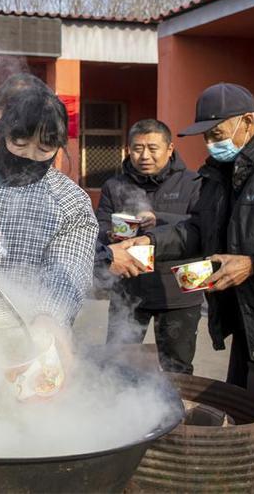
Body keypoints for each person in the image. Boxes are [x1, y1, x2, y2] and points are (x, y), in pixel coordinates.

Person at [115, 83, 254, 388]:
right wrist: (151, 241)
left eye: (217, 134)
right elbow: (197, 229)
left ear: (248, 121)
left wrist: (253, 264)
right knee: (247, 412)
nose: (211, 143)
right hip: (246, 320)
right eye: (206, 137)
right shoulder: (216, 173)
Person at [0, 81, 98, 367]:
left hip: (29, 338)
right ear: (2, 132)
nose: (29, 156)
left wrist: (50, 315)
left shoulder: (71, 202)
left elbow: (68, 268)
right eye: (20, 143)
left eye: (44, 148)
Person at [95, 119, 203, 373]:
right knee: (117, 362)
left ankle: (178, 411)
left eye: (153, 148)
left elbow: (203, 229)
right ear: (128, 150)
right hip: (129, 288)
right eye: (137, 148)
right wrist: (110, 233)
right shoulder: (114, 185)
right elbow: (98, 226)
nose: (145, 156)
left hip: (182, 288)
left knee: (178, 367)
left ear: (170, 149)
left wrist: (160, 218)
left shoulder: (195, 181)